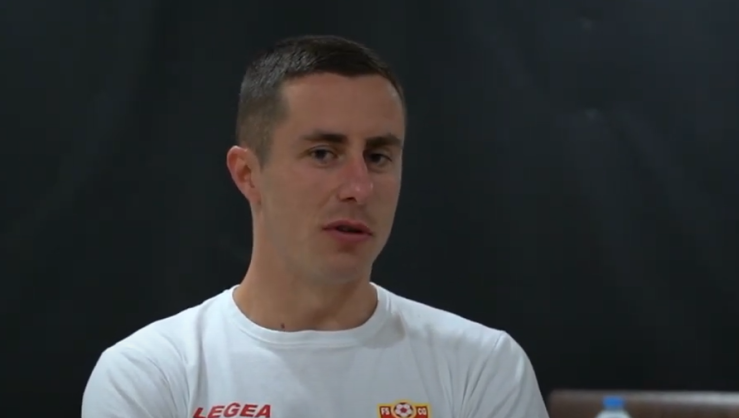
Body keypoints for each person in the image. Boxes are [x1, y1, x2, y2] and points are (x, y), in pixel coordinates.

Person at [81, 35, 549, 418]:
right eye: (323, 153)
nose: (359, 188)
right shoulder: (150, 375)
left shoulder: (480, 368)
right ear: (248, 174)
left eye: (378, 156)